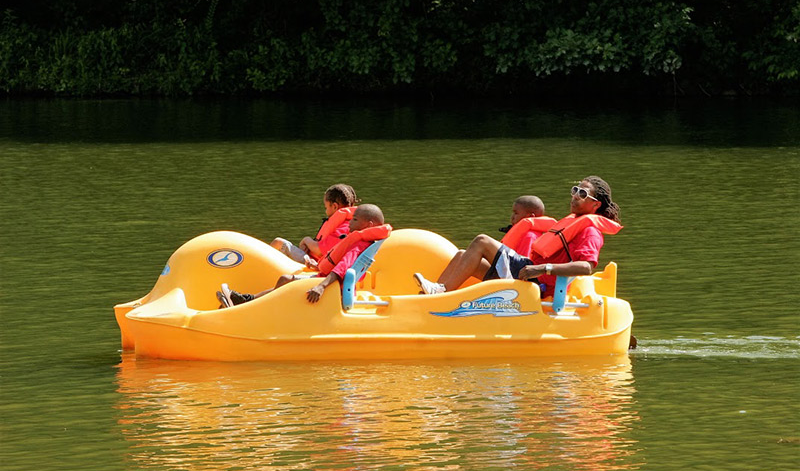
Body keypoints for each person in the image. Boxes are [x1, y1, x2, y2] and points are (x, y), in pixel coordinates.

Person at [414, 176, 621, 297]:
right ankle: (431, 300)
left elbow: (586, 267)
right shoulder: (573, 222)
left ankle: (438, 294)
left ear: (596, 205)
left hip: (536, 280)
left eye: (583, 194)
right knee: (462, 255)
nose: (575, 196)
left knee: (482, 241)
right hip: (529, 272)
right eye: (575, 190)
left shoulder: (590, 231)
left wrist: (542, 268)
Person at [218, 204, 390, 307]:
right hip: (327, 278)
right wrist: (319, 267)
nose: (350, 223)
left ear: (369, 224)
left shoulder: (360, 243)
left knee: (285, 279)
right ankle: (245, 300)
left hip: (330, 286)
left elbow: (343, 267)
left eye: (354, 220)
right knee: (286, 281)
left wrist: (321, 287)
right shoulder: (363, 240)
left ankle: (246, 304)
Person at [414, 194, 554, 293]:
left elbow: (523, 265)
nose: (512, 217)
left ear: (531, 216)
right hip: (509, 275)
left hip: (519, 282)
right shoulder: (522, 233)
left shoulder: (530, 235)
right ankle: (435, 293)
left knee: (481, 241)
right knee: (461, 255)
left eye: (516, 213)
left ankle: (442, 291)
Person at [271, 183, 359, 267]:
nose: (326, 211)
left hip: (314, 263)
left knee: (278, 243)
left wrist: (306, 240)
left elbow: (320, 251)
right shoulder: (348, 223)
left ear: (335, 206)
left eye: (326, 207)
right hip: (312, 259)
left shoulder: (344, 228)